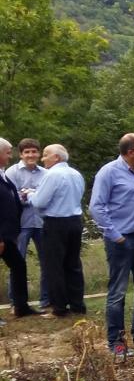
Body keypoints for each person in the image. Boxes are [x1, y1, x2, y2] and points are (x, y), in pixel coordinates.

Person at [89, 133, 134, 355]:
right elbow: (96, 207)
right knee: (118, 293)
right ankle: (117, 342)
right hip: (122, 241)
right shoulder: (109, 172)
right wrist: (115, 235)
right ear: (131, 152)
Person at [26, 144, 86, 319]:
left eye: (46, 155)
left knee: (54, 265)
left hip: (56, 222)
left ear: (57, 158)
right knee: (73, 264)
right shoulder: (76, 174)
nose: (43, 158)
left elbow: (39, 202)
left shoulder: (52, 175)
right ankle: (77, 304)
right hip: (75, 221)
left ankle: (59, 307)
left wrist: (29, 195)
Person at [0, 137, 40, 319]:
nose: (10, 157)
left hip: (10, 231)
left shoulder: (2, 173)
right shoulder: (9, 172)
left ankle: (21, 306)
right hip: (2, 234)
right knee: (17, 264)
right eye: (7, 153)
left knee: (18, 265)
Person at [7, 139, 48, 309]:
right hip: (21, 223)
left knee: (46, 261)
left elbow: (47, 196)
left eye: (34, 152)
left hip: (41, 222)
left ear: (39, 153)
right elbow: (11, 197)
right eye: (27, 152)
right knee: (17, 262)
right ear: (21, 154)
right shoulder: (12, 172)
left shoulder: (46, 173)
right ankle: (15, 301)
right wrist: (32, 196)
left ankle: (46, 300)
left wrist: (29, 194)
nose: (31, 155)